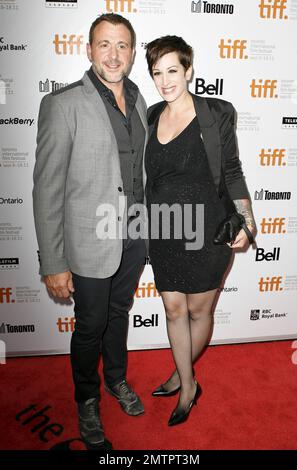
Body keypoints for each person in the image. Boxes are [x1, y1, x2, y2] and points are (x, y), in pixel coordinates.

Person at [32, 14, 148, 450]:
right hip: (89, 242)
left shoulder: (138, 99)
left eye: (122, 46)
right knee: (90, 325)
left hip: (135, 237)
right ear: (88, 50)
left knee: (119, 316)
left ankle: (116, 380)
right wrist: (54, 261)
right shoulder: (62, 104)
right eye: (104, 45)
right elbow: (47, 190)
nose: (113, 54)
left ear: (133, 53)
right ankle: (87, 400)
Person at [145, 36, 256, 426]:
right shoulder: (151, 115)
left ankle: (182, 374)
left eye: (172, 70)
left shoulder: (216, 113)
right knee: (173, 309)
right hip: (163, 230)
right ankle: (188, 382)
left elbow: (232, 171)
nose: (164, 80)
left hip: (207, 229)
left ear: (188, 70)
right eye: (157, 72)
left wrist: (247, 218)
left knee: (198, 309)